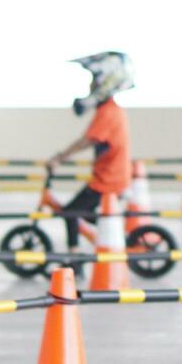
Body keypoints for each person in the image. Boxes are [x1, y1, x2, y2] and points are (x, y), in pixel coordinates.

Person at [44, 51, 134, 259]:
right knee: (89, 216)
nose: (90, 85)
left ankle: (74, 259)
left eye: (94, 79)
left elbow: (88, 140)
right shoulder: (110, 109)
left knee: (70, 213)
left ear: (106, 81)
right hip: (109, 176)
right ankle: (113, 239)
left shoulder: (109, 112)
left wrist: (59, 157)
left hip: (108, 180)